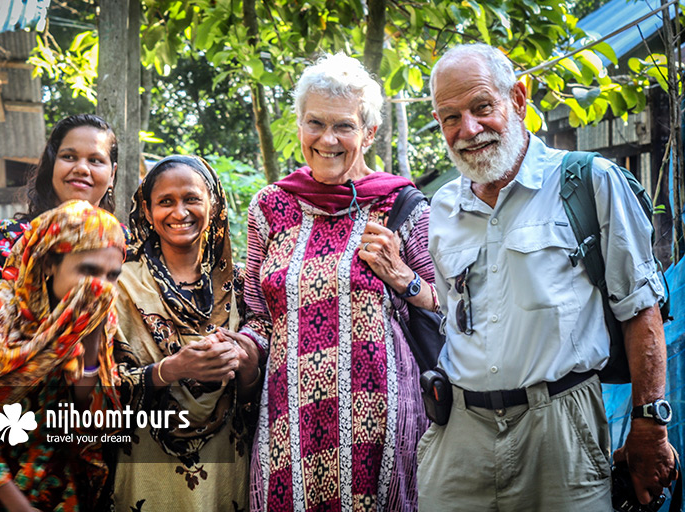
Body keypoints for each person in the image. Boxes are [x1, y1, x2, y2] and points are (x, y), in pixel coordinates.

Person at [417, 43, 675, 511]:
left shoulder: (590, 181)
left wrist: (649, 425)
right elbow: (460, 312)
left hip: (560, 427)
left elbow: (641, 308)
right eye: (449, 117)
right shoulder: (442, 208)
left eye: (481, 107)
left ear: (517, 98)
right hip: (460, 430)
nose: (468, 130)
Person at [240, 53, 437, 511]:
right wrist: (238, 349)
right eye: (315, 123)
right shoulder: (271, 206)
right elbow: (257, 316)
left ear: (368, 133)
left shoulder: (402, 206)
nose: (327, 139)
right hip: (289, 422)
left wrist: (403, 278)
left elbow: (451, 304)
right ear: (299, 126)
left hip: (381, 423)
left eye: (344, 126)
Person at [0, 200, 126, 511]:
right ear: (48, 263)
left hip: (53, 481)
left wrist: (91, 348)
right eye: (88, 270)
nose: (99, 287)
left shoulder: (100, 316)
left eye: (111, 275)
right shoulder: (1, 313)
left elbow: (90, 419)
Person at [109, 155, 259, 511]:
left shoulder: (240, 284)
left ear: (213, 203)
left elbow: (260, 392)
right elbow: (95, 393)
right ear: (146, 211)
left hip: (226, 468)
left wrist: (247, 363)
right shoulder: (119, 284)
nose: (180, 212)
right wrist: (170, 371)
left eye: (192, 198)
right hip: (146, 467)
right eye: (165, 202)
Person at [0, 113, 119, 387]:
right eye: (69, 156)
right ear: (51, 166)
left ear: (111, 174)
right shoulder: (6, 240)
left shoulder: (123, 248)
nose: (81, 168)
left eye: (95, 160)